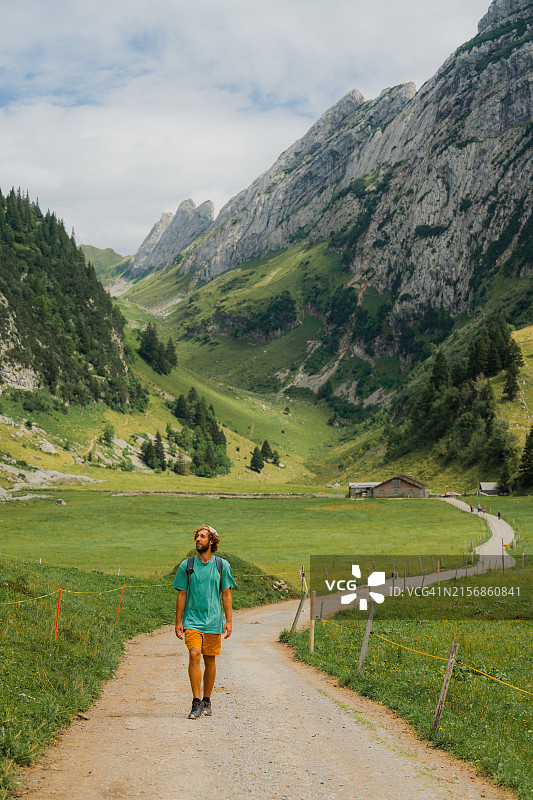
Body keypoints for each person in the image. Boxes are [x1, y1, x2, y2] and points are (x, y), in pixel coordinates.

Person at [173, 524, 236, 719]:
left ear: (211, 541)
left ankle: (207, 699)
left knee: (210, 659)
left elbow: (226, 594)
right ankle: (196, 701)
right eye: (197, 537)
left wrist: (229, 621)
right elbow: (181, 595)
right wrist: (178, 621)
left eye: (202, 537)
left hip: (214, 621)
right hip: (192, 620)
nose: (198, 540)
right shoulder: (187, 566)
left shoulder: (222, 566)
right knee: (194, 654)